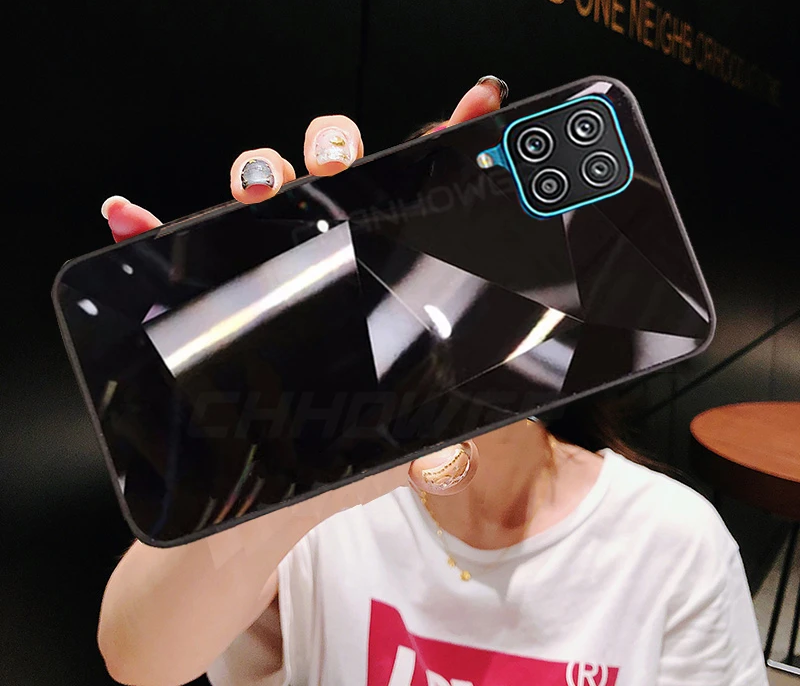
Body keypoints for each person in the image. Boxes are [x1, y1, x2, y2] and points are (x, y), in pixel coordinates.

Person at [96, 77, 768, 686]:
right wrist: (294, 472)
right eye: (416, 256)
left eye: (495, 261)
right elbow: (139, 657)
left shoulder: (672, 541)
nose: (456, 297)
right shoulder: (323, 512)